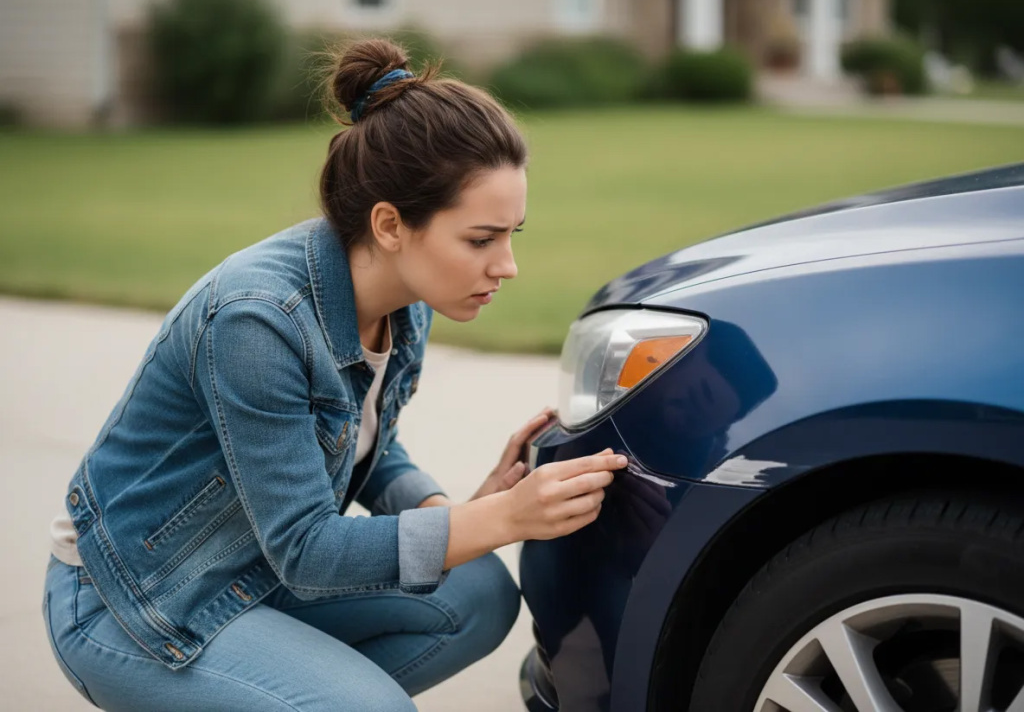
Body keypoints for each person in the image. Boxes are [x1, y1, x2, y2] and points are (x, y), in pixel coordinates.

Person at [41, 38, 627, 711]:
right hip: (141, 597)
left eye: (512, 233)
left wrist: (455, 512)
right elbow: (308, 549)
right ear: (389, 225)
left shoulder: (406, 298)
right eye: (481, 239)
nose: (508, 265)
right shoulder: (256, 322)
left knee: (480, 595)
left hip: (256, 567)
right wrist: (501, 517)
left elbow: (367, 447)